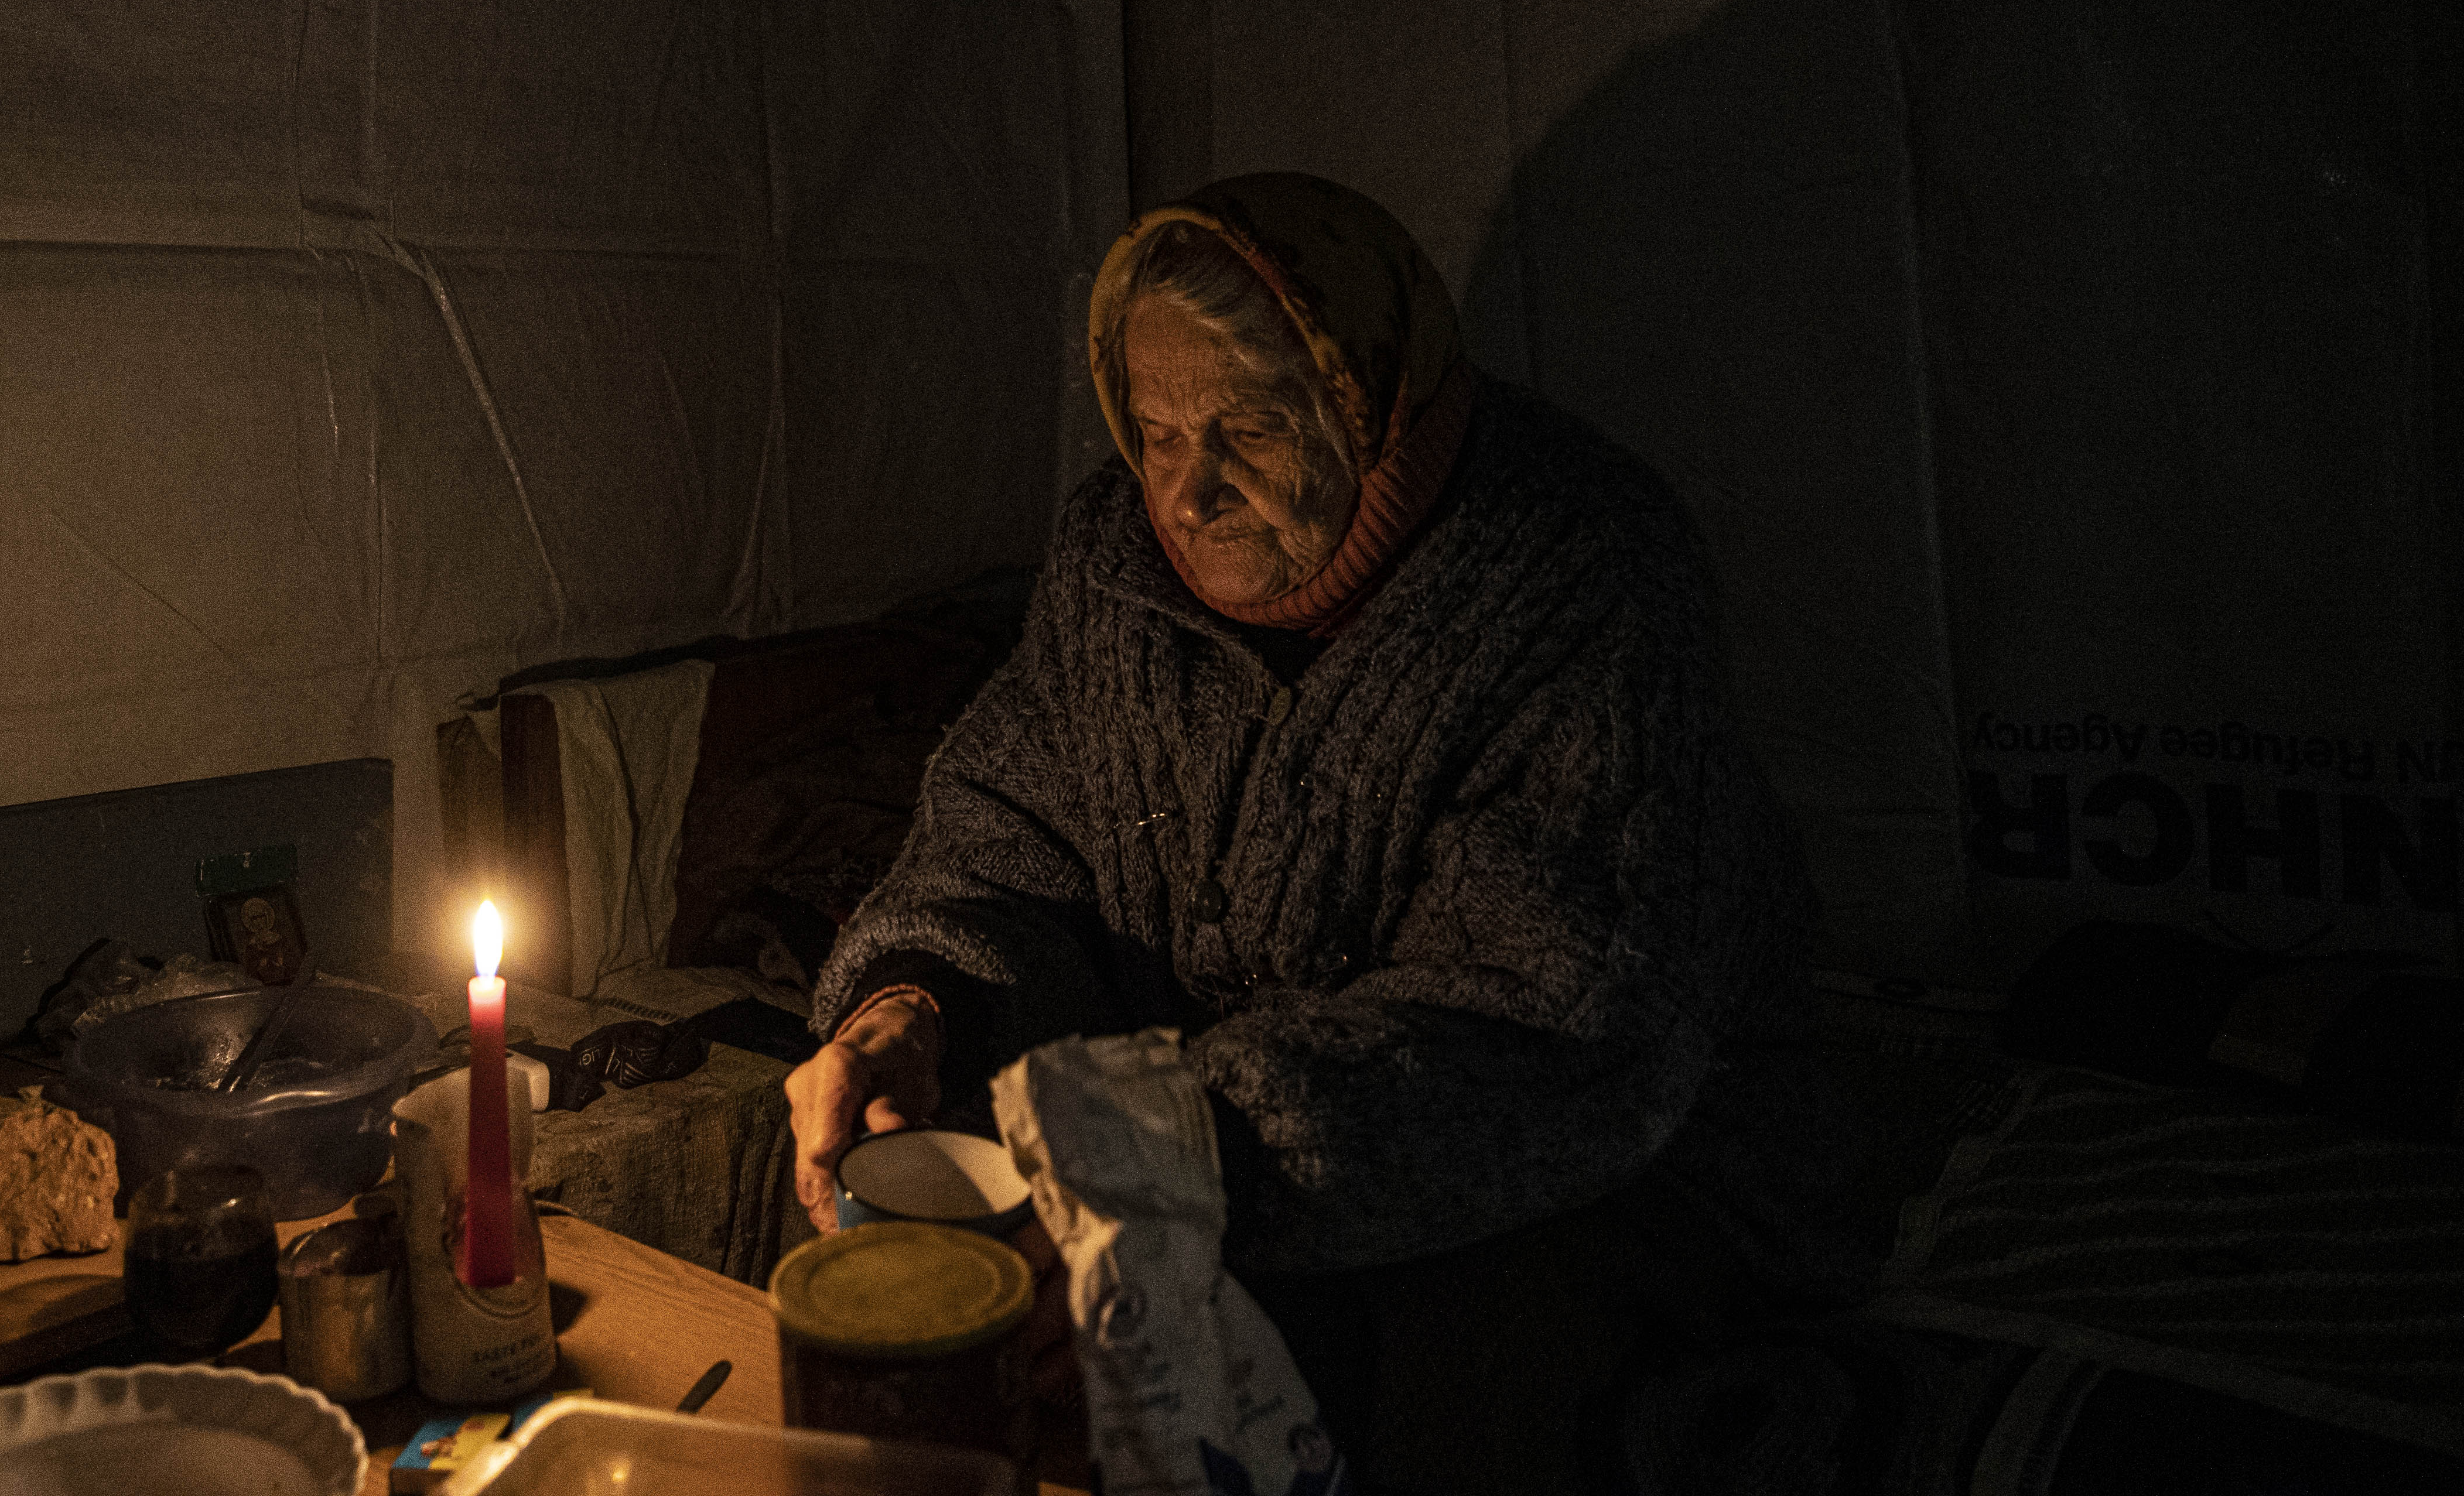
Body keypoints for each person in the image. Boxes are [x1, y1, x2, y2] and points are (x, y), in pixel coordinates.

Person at [784, 173, 1861, 1495]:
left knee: (1391, 1382)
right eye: (1158, 430)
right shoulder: (1113, 566)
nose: (1191, 492)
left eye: (1247, 425)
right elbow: (1005, 835)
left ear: (1375, 397)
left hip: (1604, 1174)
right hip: (1189, 1149)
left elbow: (1552, 1027)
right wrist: (912, 1004)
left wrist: (1171, 1162)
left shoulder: (1578, 573)